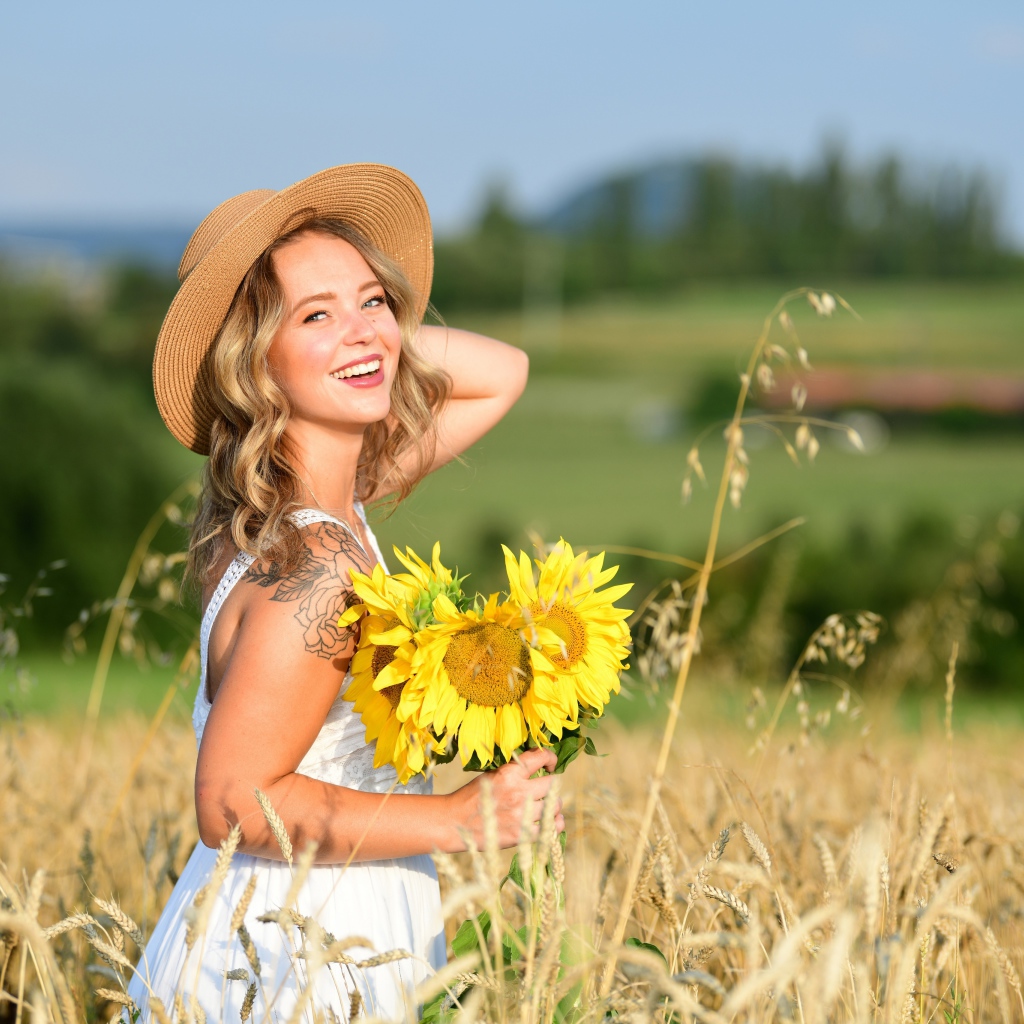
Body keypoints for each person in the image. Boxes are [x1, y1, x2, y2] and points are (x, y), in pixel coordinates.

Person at [128, 164, 564, 1023]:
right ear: (252, 358)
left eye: (374, 300)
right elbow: (231, 802)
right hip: (301, 950)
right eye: (314, 316)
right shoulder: (318, 570)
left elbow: (502, 372)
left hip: (302, 917)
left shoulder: (299, 507)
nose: (362, 331)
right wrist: (458, 820)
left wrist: (363, 342)